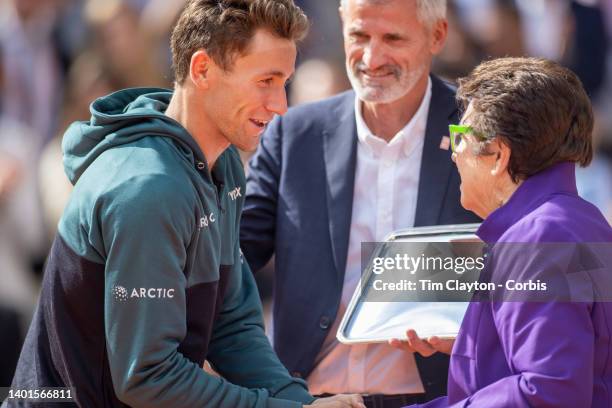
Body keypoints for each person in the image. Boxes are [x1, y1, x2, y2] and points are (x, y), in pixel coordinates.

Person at [7, 1, 365, 407]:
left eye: (284, 81)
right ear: (202, 70)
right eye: (265, 80)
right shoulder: (148, 188)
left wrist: (300, 402)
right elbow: (147, 377)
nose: (281, 104)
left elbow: (230, 324)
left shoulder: (222, 163)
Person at [240, 0, 480, 406]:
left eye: (392, 38)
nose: (372, 57)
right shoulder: (294, 134)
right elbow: (233, 255)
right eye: (359, 36)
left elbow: (528, 260)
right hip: (310, 396)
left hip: (440, 397)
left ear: (437, 35)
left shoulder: (477, 128)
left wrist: (469, 327)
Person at [407, 57, 612, 407]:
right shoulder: (579, 220)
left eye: (461, 137)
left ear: (499, 154)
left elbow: (548, 391)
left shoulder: (539, 237)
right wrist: (473, 342)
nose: (455, 154)